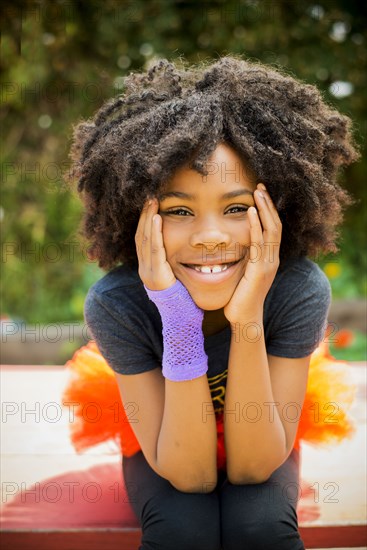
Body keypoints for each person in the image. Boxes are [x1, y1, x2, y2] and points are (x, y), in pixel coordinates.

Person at [67, 56, 359, 550]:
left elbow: (253, 468)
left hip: (263, 428)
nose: (209, 236)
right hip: (166, 436)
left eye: (237, 208)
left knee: (261, 527)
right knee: (182, 529)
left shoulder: (296, 289)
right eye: (179, 210)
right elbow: (190, 476)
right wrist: (178, 319)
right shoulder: (119, 303)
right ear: (137, 217)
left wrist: (247, 320)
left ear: (278, 209)